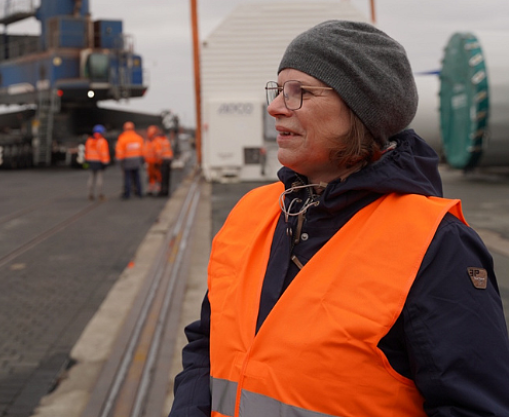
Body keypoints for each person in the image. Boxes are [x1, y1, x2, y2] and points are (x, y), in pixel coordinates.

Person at [168, 20, 509, 417]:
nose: (276, 107)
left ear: (361, 108)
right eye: (277, 90)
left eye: (300, 92)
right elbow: (209, 341)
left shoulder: (435, 242)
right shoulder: (252, 210)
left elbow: (475, 406)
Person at [115, 121, 144, 199]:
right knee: (137, 176)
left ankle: (127, 193)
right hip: (137, 159)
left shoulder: (122, 138)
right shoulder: (138, 137)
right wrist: (142, 159)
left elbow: (119, 151)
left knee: (127, 177)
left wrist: (119, 161)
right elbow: (142, 149)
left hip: (127, 160)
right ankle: (139, 192)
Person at [84, 124, 110, 201]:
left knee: (91, 178)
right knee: (99, 178)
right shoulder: (102, 141)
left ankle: (90, 194)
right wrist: (106, 163)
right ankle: (100, 194)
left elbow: (87, 151)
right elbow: (104, 153)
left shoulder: (89, 140)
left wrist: (87, 161)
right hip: (99, 162)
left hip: (90, 161)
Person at [144, 125, 161, 195]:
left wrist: (158, 161)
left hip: (155, 162)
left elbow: (158, 153)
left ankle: (158, 188)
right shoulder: (148, 143)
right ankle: (151, 188)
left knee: (157, 175)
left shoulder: (156, 142)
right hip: (149, 162)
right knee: (150, 176)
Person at [156, 130, 173, 197]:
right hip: (168, 160)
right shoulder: (166, 140)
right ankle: (166, 191)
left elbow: (158, 153)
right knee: (167, 177)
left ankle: (163, 191)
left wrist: (157, 162)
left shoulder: (158, 141)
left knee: (162, 177)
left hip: (163, 161)